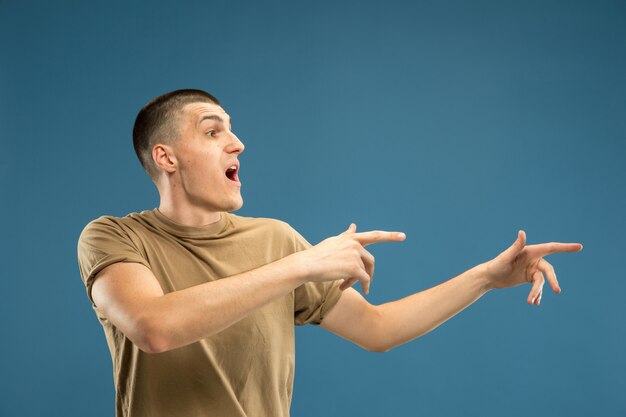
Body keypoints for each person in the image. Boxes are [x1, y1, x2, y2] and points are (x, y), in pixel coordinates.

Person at [77, 89, 583, 417]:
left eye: (232, 129)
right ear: (165, 157)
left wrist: (486, 278)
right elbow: (153, 327)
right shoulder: (114, 238)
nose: (238, 144)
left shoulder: (273, 240)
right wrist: (302, 264)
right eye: (213, 132)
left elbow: (378, 329)